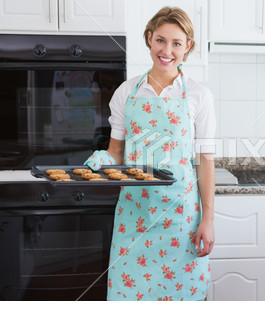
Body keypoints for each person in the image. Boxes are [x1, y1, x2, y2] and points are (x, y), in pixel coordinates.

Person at [84, 6, 216, 301]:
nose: (166, 50)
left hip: (181, 223)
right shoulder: (127, 92)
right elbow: (115, 152)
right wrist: (99, 163)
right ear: (148, 39)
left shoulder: (198, 95)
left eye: (176, 43)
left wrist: (208, 219)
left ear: (188, 47)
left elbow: (205, 160)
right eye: (160, 40)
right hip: (135, 217)